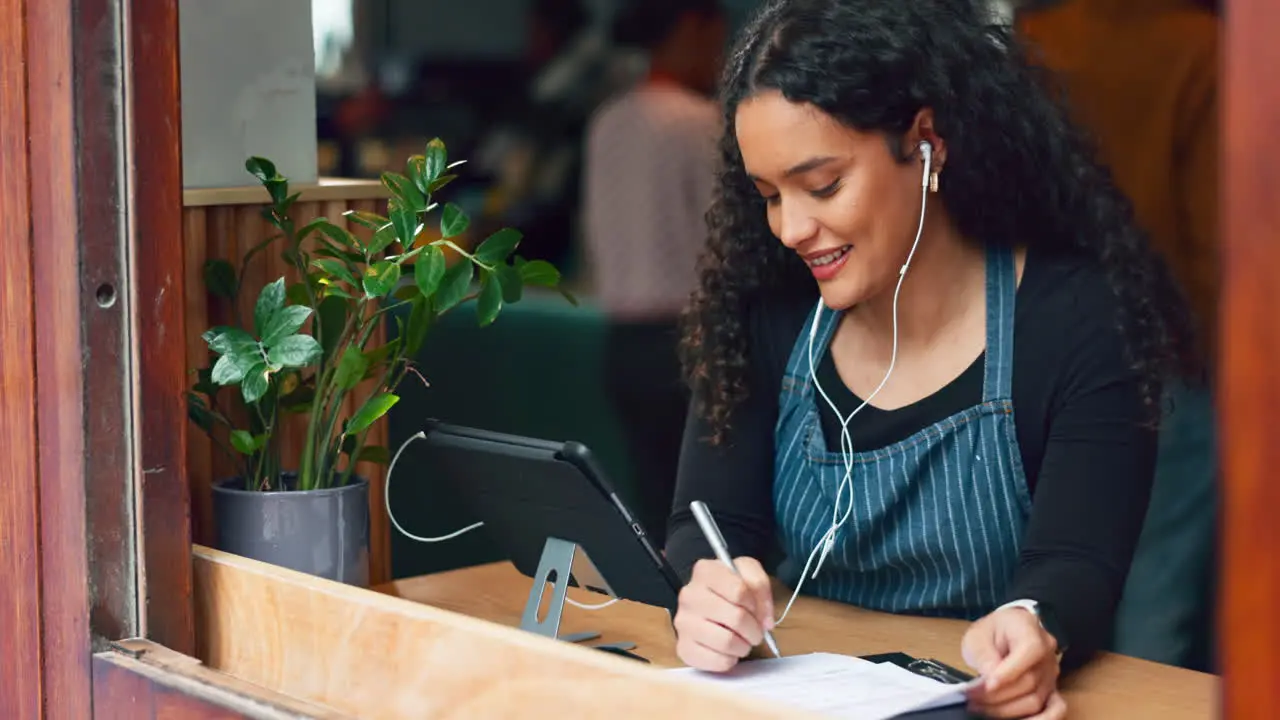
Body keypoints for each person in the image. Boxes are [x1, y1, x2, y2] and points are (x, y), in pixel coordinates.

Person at [662, 1, 1200, 718]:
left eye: (822, 186)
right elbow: (705, 527)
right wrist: (706, 592)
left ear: (925, 143)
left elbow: (1076, 563)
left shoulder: (1074, 318)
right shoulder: (767, 308)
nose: (791, 228)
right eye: (768, 196)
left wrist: (1039, 622)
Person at [1013, 0, 1221, 674]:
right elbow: (1217, 225)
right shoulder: (1201, 46)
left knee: (1048, 582)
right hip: (1168, 343)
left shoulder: (1037, 41)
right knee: (1158, 585)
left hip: (1042, 341)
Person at [581, 0, 727, 539]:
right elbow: (727, 241)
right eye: (718, 36)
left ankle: (662, 610)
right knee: (703, 514)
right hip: (689, 341)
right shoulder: (699, 123)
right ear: (691, 26)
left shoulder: (608, 121)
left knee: (653, 503)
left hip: (621, 346)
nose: (722, 52)